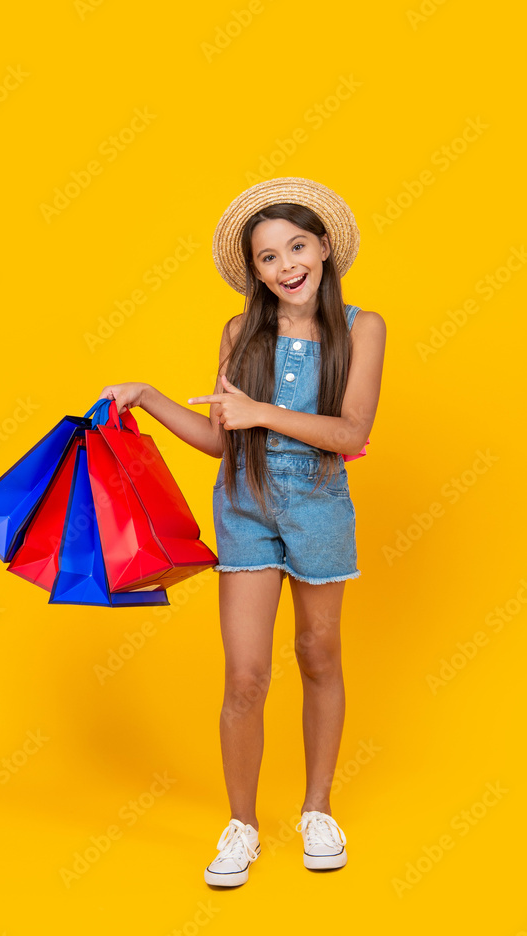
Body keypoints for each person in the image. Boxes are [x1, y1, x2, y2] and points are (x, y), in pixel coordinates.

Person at [96, 176, 386, 888]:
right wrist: (151, 397)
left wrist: (261, 413)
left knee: (319, 658)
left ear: (323, 247)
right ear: (253, 271)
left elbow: (351, 431)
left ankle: (318, 809)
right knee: (245, 677)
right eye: (267, 257)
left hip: (319, 508)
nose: (286, 265)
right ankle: (242, 826)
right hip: (246, 506)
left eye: (296, 246)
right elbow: (225, 439)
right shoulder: (240, 333)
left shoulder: (361, 328)